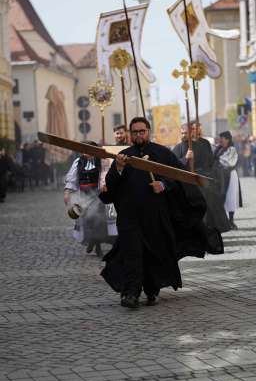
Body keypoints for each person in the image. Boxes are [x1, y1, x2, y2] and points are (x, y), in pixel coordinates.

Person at [100, 117, 224, 309]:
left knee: (154, 254)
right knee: (132, 253)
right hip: (129, 217)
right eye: (135, 132)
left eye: (142, 131)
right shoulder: (123, 157)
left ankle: (151, 289)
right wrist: (118, 168)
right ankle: (131, 293)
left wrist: (164, 185)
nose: (139, 135)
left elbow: (180, 179)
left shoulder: (163, 153)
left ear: (148, 132)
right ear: (130, 134)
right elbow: (110, 187)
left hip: (155, 217)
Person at [64, 141, 114, 258]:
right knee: (88, 222)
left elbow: (105, 175)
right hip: (83, 196)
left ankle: (97, 247)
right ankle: (93, 241)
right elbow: (72, 178)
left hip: (98, 195)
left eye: (89, 149)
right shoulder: (78, 162)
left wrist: (104, 184)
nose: (86, 152)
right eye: (84, 150)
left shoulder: (102, 161)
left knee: (98, 222)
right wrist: (67, 192)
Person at [214, 131, 242, 230]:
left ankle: (231, 220)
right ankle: (222, 220)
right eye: (220, 138)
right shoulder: (218, 149)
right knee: (221, 198)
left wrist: (217, 160)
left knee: (231, 197)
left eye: (222, 138)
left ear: (228, 139)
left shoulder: (232, 149)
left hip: (230, 175)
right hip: (220, 176)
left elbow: (229, 161)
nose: (220, 140)